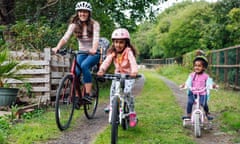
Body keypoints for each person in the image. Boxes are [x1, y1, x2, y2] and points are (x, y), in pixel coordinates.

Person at [52, 1, 100, 108]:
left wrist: (94, 49)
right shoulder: (74, 25)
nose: (82, 14)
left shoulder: (94, 24)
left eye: (85, 12)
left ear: (89, 13)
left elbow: (96, 39)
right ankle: (78, 97)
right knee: (75, 73)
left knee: (84, 66)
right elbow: (65, 37)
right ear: (77, 13)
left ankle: (87, 94)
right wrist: (57, 47)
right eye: (80, 12)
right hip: (81, 53)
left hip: (93, 53)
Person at [97, 28, 139, 127]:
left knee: (127, 93)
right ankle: (113, 106)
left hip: (128, 76)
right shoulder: (113, 52)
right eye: (116, 42)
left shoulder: (128, 51)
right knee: (113, 91)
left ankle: (132, 113)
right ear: (113, 43)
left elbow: (132, 61)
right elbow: (107, 61)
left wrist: (134, 71)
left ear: (126, 43)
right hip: (117, 75)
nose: (118, 45)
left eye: (121, 42)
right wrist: (102, 70)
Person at [180, 54, 218, 120]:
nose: (197, 67)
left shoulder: (206, 76)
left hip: (202, 93)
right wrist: (184, 85)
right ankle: (189, 115)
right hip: (193, 92)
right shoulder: (192, 75)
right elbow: (188, 82)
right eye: (195, 66)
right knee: (189, 102)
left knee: (204, 104)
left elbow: (209, 83)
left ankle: (207, 114)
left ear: (203, 67)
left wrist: (213, 86)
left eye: (199, 66)